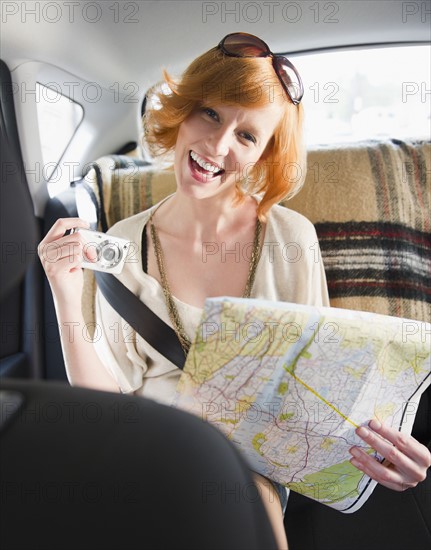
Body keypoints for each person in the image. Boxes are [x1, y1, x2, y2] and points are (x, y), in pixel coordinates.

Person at [39, 33, 431, 550]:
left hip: (246, 472)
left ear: (265, 155)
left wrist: (386, 455)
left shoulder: (291, 240)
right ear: (181, 111)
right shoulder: (122, 244)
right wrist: (66, 293)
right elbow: (104, 406)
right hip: (144, 457)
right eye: (209, 114)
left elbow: (322, 391)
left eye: (247, 136)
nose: (217, 146)